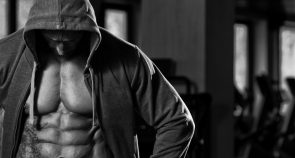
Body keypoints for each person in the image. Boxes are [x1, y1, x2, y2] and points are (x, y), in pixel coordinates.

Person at [0, 0, 195, 157]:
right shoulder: (6, 55)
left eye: (70, 39)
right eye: (52, 39)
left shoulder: (127, 59)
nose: (60, 49)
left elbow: (177, 121)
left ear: (85, 29)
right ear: (36, 29)